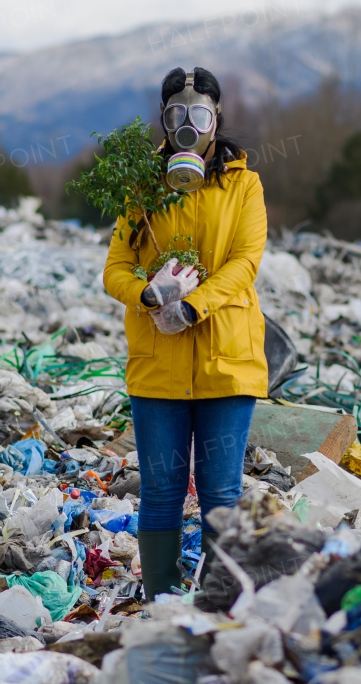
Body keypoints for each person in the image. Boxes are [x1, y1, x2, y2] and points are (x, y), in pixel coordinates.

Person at [103, 66, 268, 599]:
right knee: (161, 492)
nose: (189, 125)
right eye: (178, 115)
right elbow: (115, 267)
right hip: (158, 365)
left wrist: (195, 306)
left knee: (221, 493)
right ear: (163, 120)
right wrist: (146, 295)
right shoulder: (143, 185)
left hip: (227, 361)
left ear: (217, 119)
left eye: (200, 114)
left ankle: (221, 603)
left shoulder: (244, 184)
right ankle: (161, 605)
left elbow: (245, 262)